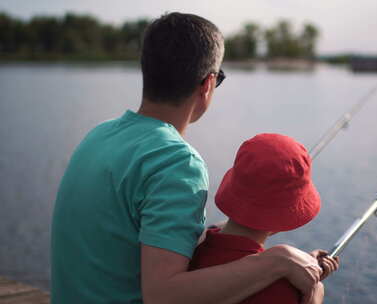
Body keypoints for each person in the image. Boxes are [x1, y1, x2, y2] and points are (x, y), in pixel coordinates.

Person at [51, 12, 326, 304]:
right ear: (207, 84)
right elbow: (164, 296)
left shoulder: (99, 135)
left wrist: (221, 235)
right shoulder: (176, 163)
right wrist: (276, 261)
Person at [190, 133, 340, 304]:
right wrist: (314, 295)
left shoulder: (193, 246)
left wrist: (303, 265)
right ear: (287, 214)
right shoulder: (283, 291)